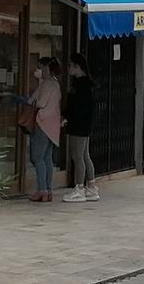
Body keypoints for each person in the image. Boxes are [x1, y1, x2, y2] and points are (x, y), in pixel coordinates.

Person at [61, 52, 99, 203]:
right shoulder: (83, 84)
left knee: (77, 156)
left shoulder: (82, 86)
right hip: (83, 124)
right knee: (84, 155)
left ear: (78, 67)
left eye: (70, 65)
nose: (68, 68)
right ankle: (91, 186)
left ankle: (79, 188)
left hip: (79, 125)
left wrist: (68, 118)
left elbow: (79, 107)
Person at [27, 56, 62, 202]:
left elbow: (39, 103)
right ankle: (48, 189)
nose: (38, 71)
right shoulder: (55, 84)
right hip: (53, 125)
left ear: (47, 68)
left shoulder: (47, 84)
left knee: (37, 157)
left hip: (43, 123)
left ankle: (41, 190)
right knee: (47, 157)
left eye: (40, 67)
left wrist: (31, 101)